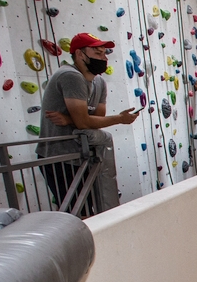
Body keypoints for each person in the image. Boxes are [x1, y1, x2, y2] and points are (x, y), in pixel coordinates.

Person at [37, 32, 140, 215]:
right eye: (98, 53)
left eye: (104, 53)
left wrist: (70, 119)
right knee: (77, 212)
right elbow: (85, 122)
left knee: (91, 209)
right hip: (59, 157)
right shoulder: (70, 76)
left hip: (83, 156)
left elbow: (96, 120)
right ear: (80, 54)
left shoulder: (99, 82)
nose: (104, 58)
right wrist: (118, 119)